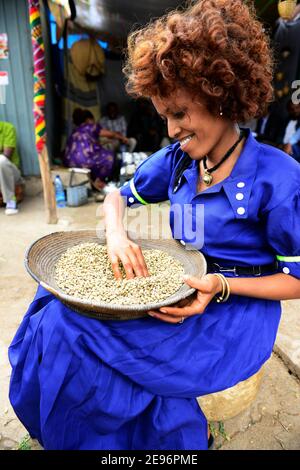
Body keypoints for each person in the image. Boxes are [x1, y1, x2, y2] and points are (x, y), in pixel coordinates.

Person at [8, 0, 300, 451]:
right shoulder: (181, 160)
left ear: (222, 94)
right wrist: (118, 234)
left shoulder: (278, 178)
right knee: (53, 302)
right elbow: (114, 196)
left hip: (232, 315)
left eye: (180, 113)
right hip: (178, 288)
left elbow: (295, 279)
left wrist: (219, 284)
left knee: (74, 331)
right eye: (164, 114)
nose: (170, 129)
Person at [64, 108, 128, 190]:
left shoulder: (75, 131)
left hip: (70, 162)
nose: (94, 122)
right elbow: (111, 134)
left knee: (97, 154)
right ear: (88, 120)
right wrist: (123, 138)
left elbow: (89, 145)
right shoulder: (91, 126)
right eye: (93, 120)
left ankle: (92, 181)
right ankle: (99, 180)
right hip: (84, 161)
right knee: (109, 156)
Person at [0, 120, 22, 215]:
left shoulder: (7, 128)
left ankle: (10, 202)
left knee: (1, 160)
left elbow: (7, 155)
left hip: (12, 174)